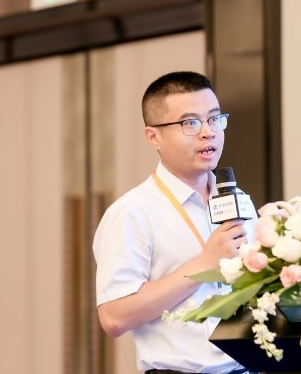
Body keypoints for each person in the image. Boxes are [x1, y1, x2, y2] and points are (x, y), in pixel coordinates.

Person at [93, 71, 258, 374]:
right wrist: (204, 264)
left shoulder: (240, 201)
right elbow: (114, 317)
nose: (208, 132)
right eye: (190, 123)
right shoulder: (132, 213)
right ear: (153, 136)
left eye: (214, 119)